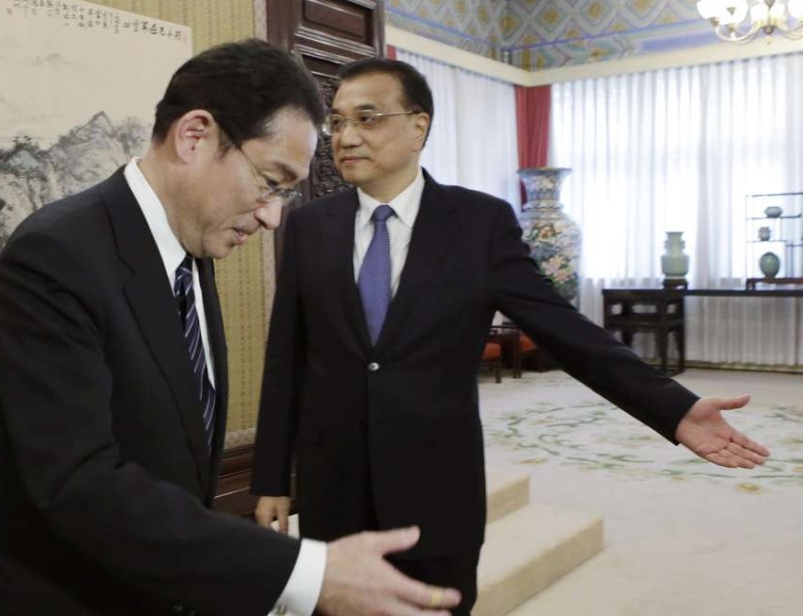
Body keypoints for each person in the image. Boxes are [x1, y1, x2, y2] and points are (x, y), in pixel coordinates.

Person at [0, 41, 463, 616]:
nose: (273, 215)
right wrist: (308, 573)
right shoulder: (55, 256)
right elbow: (79, 485)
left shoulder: (189, 255)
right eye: (270, 181)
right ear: (195, 136)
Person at [250, 57, 771, 615]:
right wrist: (271, 478)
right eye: (338, 121)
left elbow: (566, 331)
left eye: (368, 119)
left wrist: (674, 409)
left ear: (419, 126)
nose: (347, 137)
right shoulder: (309, 226)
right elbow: (287, 358)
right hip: (335, 485)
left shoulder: (479, 224)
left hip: (435, 486)